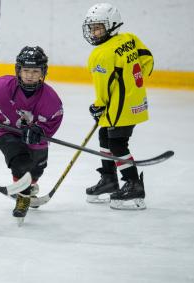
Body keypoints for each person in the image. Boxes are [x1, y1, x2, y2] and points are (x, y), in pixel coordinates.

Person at [0, 46, 63, 223]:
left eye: (35, 71)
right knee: (20, 162)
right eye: (26, 70)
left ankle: (29, 185)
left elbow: (53, 120)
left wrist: (41, 131)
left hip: (34, 138)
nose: (30, 75)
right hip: (6, 130)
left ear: (43, 72)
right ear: (18, 70)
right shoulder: (3, 86)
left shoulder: (50, 99)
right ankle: (23, 197)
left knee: (37, 169)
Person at [82, 3, 154, 210]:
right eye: (92, 28)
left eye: (98, 27)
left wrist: (98, 107)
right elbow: (147, 59)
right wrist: (133, 84)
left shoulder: (100, 54)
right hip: (135, 102)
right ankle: (109, 179)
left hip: (119, 108)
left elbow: (102, 89)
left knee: (117, 144)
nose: (94, 32)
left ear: (111, 25)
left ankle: (133, 184)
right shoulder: (130, 38)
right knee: (104, 136)